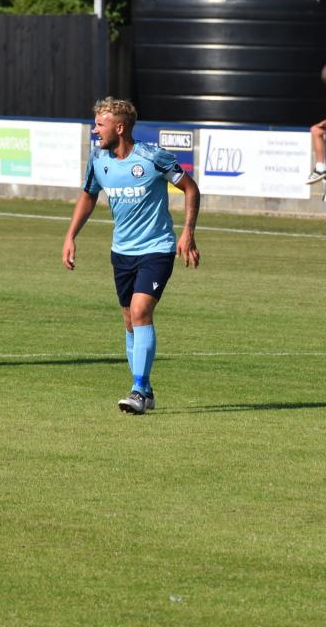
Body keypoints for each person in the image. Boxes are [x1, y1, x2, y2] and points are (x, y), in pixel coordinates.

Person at [62, 97, 201, 415]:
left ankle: (137, 390)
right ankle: (146, 391)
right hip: (121, 252)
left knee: (140, 312)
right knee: (129, 321)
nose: (95, 130)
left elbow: (190, 188)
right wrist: (70, 236)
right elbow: (89, 195)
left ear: (120, 127)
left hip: (157, 249)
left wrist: (187, 232)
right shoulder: (98, 158)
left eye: (100, 124)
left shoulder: (152, 157)